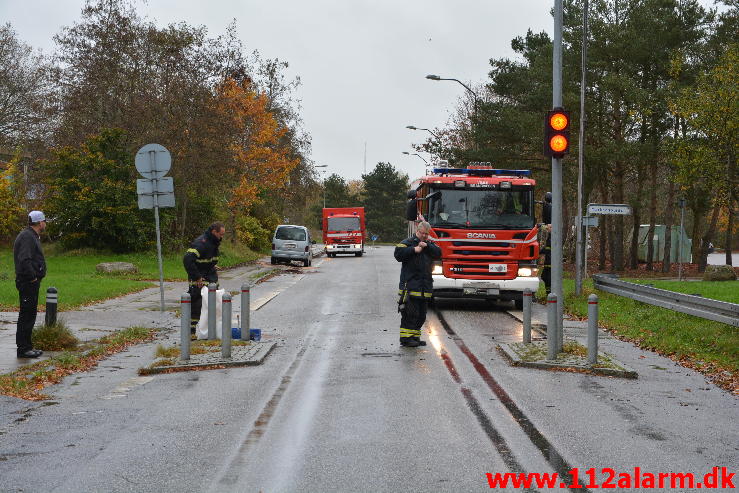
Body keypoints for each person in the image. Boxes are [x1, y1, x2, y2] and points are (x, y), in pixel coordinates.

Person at [394, 221, 442, 347]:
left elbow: (439, 253)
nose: (425, 236)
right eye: (423, 233)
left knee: (421, 316)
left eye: (427, 234)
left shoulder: (429, 244)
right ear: (418, 231)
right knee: (410, 314)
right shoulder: (407, 242)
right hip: (410, 286)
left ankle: (415, 337)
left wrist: (427, 246)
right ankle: (406, 339)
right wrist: (414, 250)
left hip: (425, 287)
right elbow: (398, 254)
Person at [13, 211, 48, 358]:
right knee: (26, 315)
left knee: (29, 313)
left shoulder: (31, 235)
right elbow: (24, 260)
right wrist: (33, 278)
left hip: (29, 281)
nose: (45, 223)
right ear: (40, 222)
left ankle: (28, 346)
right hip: (27, 282)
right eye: (45, 221)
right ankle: (23, 349)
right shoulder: (28, 237)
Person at [183, 222, 225, 334]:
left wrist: (211, 265)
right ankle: (191, 332)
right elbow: (188, 260)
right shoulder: (201, 243)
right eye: (220, 234)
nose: (222, 237)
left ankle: (210, 331)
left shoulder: (213, 242)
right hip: (199, 280)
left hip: (210, 276)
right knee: (197, 305)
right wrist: (197, 277)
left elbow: (206, 258)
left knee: (214, 305)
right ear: (214, 232)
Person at [541, 192, 552, 294]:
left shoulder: (552, 237)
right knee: (545, 276)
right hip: (548, 262)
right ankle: (549, 294)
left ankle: (549, 294)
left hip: (550, 262)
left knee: (546, 276)